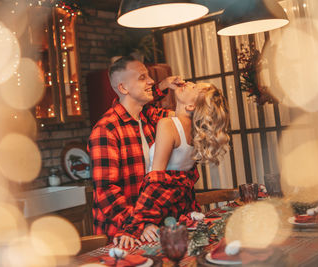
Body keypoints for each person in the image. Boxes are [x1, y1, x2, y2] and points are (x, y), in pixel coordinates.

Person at [115, 82, 231, 248]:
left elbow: (155, 182)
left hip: (155, 210)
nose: (188, 83)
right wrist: (163, 85)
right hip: (176, 213)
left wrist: (136, 225)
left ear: (191, 106)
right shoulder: (195, 130)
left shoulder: (168, 124)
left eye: (194, 87)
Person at [88, 56, 184, 239]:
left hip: (150, 228)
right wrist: (139, 224)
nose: (150, 81)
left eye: (148, 76)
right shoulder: (106, 130)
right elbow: (106, 192)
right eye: (142, 77)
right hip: (121, 236)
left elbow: (180, 116)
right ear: (123, 88)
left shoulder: (148, 117)